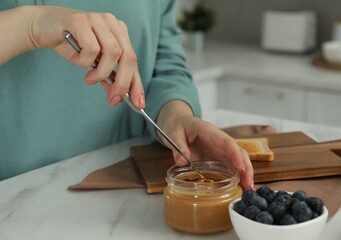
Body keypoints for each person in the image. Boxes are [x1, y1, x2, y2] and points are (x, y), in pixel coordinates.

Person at [0, 0, 254, 189]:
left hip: (122, 191)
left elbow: (164, 64)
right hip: (13, 198)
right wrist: (29, 25)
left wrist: (176, 115)